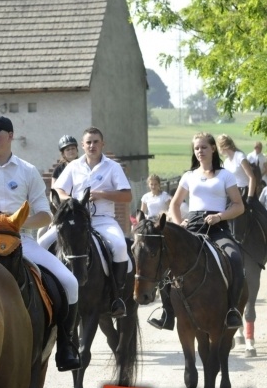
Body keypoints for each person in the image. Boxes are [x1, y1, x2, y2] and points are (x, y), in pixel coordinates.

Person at [0, 115, 81, 372]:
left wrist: (14, 224)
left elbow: (45, 215)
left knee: (69, 282)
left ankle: (66, 344)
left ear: (10, 136)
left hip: (23, 241)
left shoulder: (28, 171)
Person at [148, 132, 245, 331]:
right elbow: (174, 204)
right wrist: (179, 222)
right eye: (196, 148)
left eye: (203, 147)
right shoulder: (189, 176)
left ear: (213, 149)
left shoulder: (225, 175)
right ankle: (167, 312)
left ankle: (232, 310)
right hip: (192, 228)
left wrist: (219, 216)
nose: (199, 151)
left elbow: (238, 206)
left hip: (217, 228)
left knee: (235, 257)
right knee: (166, 260)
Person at [38, 127, 132, 318]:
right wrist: (72, 202)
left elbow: (126, 195)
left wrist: (100, 194)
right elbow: (57, 190)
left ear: (102, 144)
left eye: (96, 142)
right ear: (83, 145)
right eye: (88, 142)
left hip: (102, 220)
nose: (92, 145)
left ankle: (116, 296)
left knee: (121, 246)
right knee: (42, 244)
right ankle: (44, 293)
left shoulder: (112, 167)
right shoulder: (74, 167)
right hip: (75, 222)